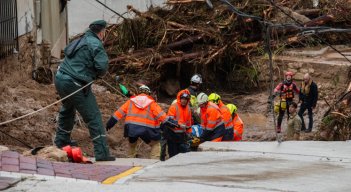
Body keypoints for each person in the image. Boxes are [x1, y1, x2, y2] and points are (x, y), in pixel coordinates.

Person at [54, 20, 115, 161]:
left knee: (68, 109)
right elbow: (102, 66)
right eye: (104, 32)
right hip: (75, 83)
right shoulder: (96, 44)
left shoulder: (81, 39)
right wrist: (97, 74)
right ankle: (102, 153)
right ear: (101, 32)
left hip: (60, 78)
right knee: (93, 116)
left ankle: (61, 142)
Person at [105, 85, 171, 159]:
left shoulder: (131, 101)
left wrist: (110, 123)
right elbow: (162, 117)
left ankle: (130, 159)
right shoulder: (151, 103)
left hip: (131, 128)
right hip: (147, 130)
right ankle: (154, 162)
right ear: (148, 93)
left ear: (139, 92)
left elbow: (119, 113)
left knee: (132, 144)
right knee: (155, 145)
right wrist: (171, 123)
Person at [164, 89, 193, 158]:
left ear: (188, 100)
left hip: (182, 135)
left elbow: (188, 123)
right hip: (172, 134)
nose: (184, 100)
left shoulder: (188, 109)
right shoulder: (174, 107)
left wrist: (189, 133)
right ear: (179, 98)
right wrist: (179, 125)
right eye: (182, 98)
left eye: (186, 99)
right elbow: (169, 121)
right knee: (173, 154)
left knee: (182, 155)